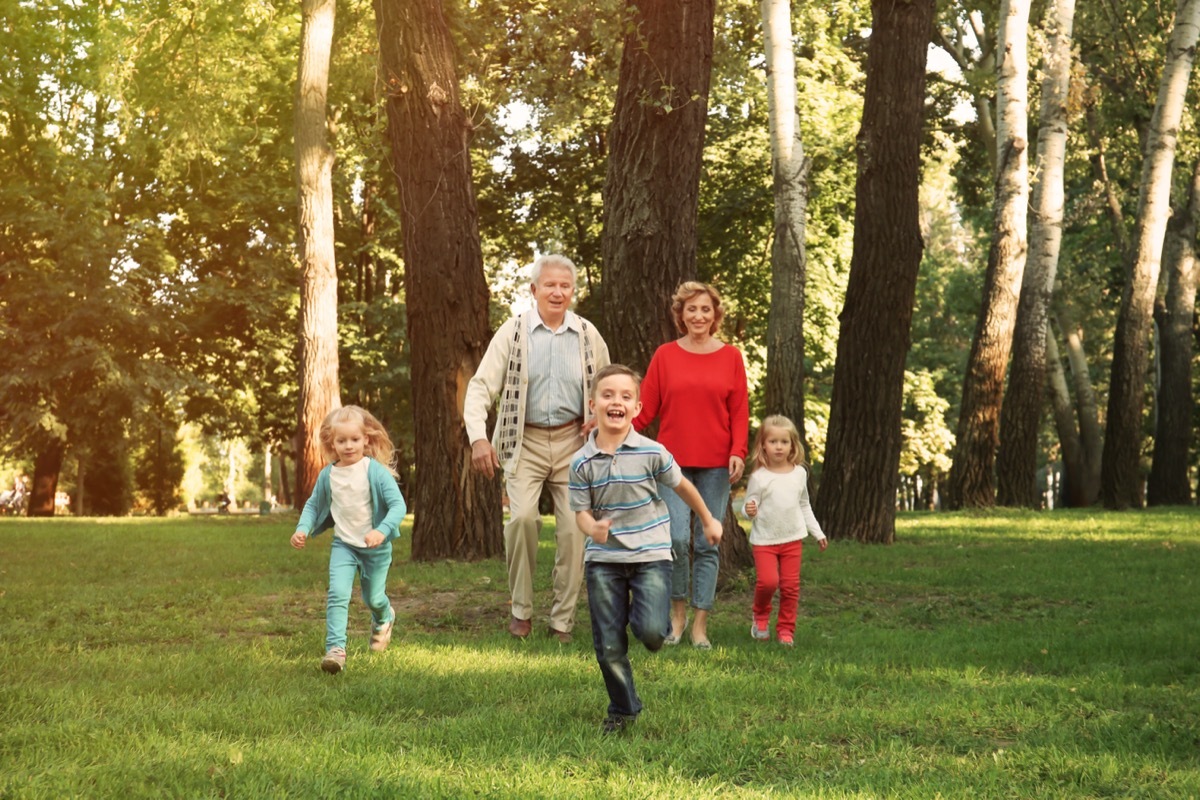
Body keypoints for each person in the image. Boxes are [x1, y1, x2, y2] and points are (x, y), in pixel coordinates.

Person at [464, 254, 610, 643]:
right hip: (523, 439)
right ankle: (521, 611)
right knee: (522, 519)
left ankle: (562, 620)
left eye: (565, 286)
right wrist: (479, 437)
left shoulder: (587, 334)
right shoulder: (512, 333)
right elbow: (481, 387)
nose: (557, 292)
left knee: (574, 531)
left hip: (573, 443)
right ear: (534, 290)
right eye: (550, 285)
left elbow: (607, 387)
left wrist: (600, 415)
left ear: (572, 292)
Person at [570, 364, 723, 734]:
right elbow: (581, 514)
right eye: (608, 395)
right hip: (604, 560)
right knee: (608, 645)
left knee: (653, 632)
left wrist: (707, 518)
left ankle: (645, 624)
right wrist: (594, 528)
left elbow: (683, 486)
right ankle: (623, 709)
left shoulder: (653, 452)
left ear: (636, 408)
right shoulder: (581, 462)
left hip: (651, 556)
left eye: (625, 396)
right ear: (593, 404)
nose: (616, 401)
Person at [633, 281, 749, 648]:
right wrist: (612, 430)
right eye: (691, 310)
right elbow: (646, 410)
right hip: (672, 465)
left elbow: (740, 410)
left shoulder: (731, 357)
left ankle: (701, 625)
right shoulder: (665, 356)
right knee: (677, 540)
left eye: (705, 309)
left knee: (708, 542)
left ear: (715, 315)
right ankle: (677, 617)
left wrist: (739, 451)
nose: (698, 316)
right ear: (680, 316)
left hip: (716, 464)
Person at [291, 405, 408, 674]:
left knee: (373, 598)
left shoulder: (374, 471)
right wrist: (302, 528)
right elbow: (312, 505)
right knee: (337, 594)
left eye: (354, 439)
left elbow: (398, 506)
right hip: (344, 545)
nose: (348, 446)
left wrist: (382, 530)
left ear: (366, 439)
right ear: (332, 443)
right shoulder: (328, 475)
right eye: (341, 441)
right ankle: (335, 650)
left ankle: (384, 616)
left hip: (375, 549)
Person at [741, 415, 828, 647]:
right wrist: (749, 509)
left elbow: (804, 504)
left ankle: (786, 629)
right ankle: (760, 616)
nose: (778, 447)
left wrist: (817, 532)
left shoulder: (799, 473)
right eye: (773, 442)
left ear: (792, 445)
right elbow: (747, 507)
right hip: (764, 540)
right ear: (763, 445)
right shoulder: (759, 477)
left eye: (784, 442)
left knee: (790, 587)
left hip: (792, 539)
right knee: (768, 582)